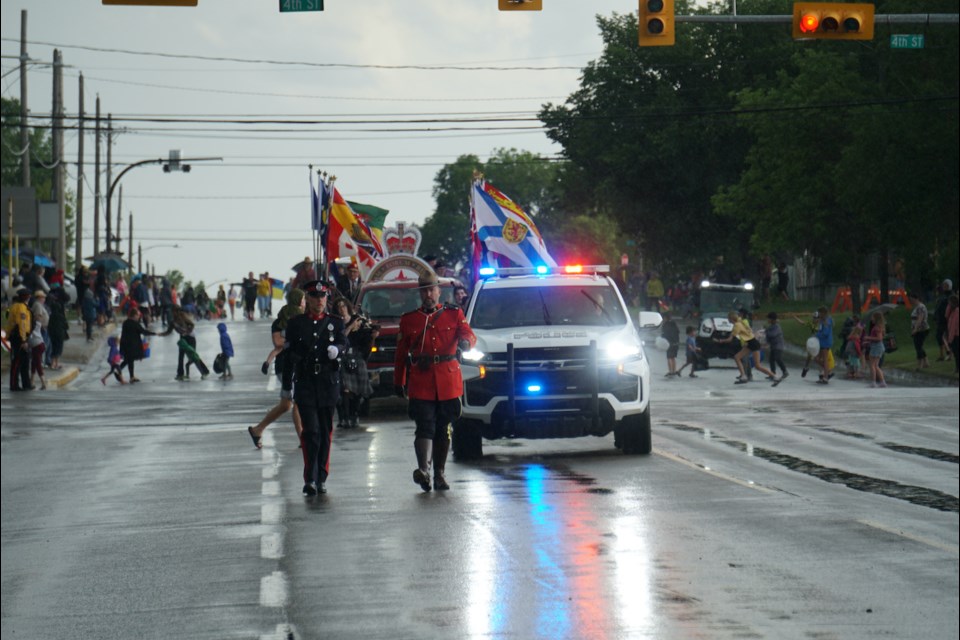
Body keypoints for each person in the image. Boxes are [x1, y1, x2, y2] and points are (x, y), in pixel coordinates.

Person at [394, 270, 477, 492]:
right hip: (421, 381)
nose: (429, 294)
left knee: (443, 428)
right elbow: (401, 354)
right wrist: (399, 380)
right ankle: (423, 471)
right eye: (425, 291)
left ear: (439, 291)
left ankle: (439, 473)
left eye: (432, 289)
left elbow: (468, 333)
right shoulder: (409, 319)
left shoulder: (453, 313)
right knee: (424, 425)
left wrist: (466, 343)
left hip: (448, 380)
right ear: (420, 294)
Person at [282, 280, 348, 496]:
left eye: (322, 297)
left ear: (326, 298)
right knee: (311, 432)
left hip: (328, 383)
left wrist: (337, 349)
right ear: (308, 299)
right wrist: (286, 387)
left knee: (325, 431)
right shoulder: (296, 324)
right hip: (306, 383)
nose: (319, 300)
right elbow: (288, 357)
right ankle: (309, 477)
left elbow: (344, 344)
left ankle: (321, 476)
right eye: (314, 297)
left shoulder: (336, 323)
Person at [248, 288, 306, 449]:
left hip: (300, 363)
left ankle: (258, 429)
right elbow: (278, 342)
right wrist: (297, 339)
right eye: (303, 300)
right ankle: (303, 438)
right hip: (286, 365)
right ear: (297, 300)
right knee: (297, 402)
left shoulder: (305, 319)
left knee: (286, 405)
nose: (305, 303)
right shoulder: (280, 321)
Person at [333, 296, 377, 429]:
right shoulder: (335, 323)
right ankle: (344, 417)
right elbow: (341, 338)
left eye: (343, 306)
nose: (342, 309)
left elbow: (367, 336)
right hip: (342, 358)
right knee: (345, 389)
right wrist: (351, 326)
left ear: (348, 307)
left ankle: (354, 415)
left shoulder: (359, 320)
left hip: (357, 356)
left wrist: (373, 335)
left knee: (357, 391)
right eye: (339, 307)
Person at [715, 310, 778, 384]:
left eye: (728, 319)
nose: (728, 320)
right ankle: (743, 376)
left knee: (757, 366)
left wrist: (720, 341)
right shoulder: (740, 322)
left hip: (753, 344)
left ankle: (774, 376)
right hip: (750, 343)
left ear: (731, 319)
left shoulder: (737, 325)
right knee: (737, 357)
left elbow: (729, 339)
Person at [6, 287, 33, 391]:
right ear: (26, 297)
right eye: (28, 296)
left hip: (20, 336)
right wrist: (23, 340)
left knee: (25, 361)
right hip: (19, 337)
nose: (29, 297)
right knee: (17, 361)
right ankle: (14, 384)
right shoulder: (21, 308)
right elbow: (21, 325)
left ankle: (26, 384)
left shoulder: (17, 306)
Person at [119, 307, 155, 383]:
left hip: (125, 344)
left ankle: (130, 376)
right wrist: (154, 333)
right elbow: (143, 331)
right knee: (129, 360)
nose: (139, 317)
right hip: (132, 345)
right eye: (138, 315)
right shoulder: (135, 324)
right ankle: (120, 371)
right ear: (134, 315)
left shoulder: (126, 322)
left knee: (128, 360)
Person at [863, 310, 888, 388]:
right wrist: (868, 341)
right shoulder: (879, 327)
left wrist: (868, 337)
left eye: (872, 317)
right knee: (876, 366)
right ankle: (882, 382)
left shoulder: (876, 327)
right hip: (877, 346)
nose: (871, 319)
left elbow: (879, 338)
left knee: (872, 365)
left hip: (876, 347)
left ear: (876, 318)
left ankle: (873, 382)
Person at [907, 291, 930, 370]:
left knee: (918, 347)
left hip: (921, 330)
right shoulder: (917, 307)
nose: (910, 301)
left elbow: (920, 319)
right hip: (918, 330)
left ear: (916, 298)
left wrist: (915, 329)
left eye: (911, 299)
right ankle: (926, 362)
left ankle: (920, 364)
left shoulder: (920, 307)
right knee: (919, 346)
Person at [765, 311, 788, 383]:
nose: (768, 320)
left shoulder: (777, 326)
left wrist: (766, 331)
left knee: (777, 358)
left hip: (778, 346)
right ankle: (773, 373)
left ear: (772, 319)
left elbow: (773, 335)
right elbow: (768, 337)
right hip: (773, 346)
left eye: (769, 319)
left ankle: (785, 371)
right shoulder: (770, 326)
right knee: (771, 360)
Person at [813, 306, 834, 384]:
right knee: (817, 358)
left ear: (823, 313)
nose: (819, 314)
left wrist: (817, 335)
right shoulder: (822, 321)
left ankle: (825, 377)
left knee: (825, 359)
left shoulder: (827, 321)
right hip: (821, 342)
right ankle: (827, 370)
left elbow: (825, 333)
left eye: (820, 313)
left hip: (825, 342)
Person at [934, 279, 953, 361]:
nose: (944, 286)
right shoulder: (942, 296)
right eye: (943, 285)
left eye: (946, 285)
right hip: (940, 320)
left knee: (946, 337)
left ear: (949, 286)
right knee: (939, 337)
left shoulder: (951, 296)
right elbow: (938, 307)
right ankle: (941, 355)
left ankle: (949, 354)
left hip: (947, 320)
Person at [660, 311, 680, 377]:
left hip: (669, 343)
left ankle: (670, 371)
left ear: (665, 318)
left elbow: (664, 335)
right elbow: (678, 332)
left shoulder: (666, 325)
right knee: (673, 357)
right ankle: (674, 371)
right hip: (676, 343)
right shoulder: (673, 323)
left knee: (669, 357)